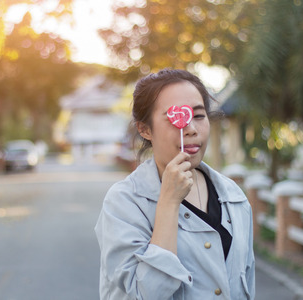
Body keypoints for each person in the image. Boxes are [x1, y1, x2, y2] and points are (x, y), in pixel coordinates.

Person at [94, 69, 255, 300]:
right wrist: (169, 202)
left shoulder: (233, 196)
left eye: (199, 116)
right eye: (176, 117)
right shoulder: (123, 202)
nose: (190, 128)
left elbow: (247, 283)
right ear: (145, 129)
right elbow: (143, 294)